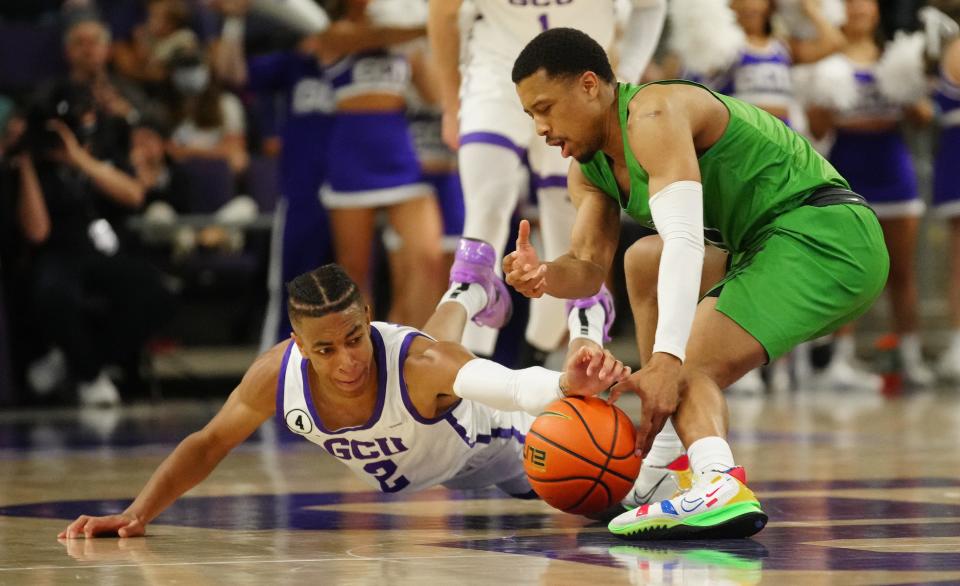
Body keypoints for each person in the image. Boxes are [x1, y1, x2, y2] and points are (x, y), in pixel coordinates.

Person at [506, 28, 888, 539]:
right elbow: (589, 267)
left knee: (685, 366)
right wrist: (545, 276)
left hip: (825, 236)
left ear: (591, 86)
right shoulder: (589, 168)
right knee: (641, 258)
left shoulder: (652, 113)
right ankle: (664, 469)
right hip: (767, 244)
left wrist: (666, 359)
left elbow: (685, 239)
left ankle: (716, 480)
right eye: (531, 115)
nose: (540, 127)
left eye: (546, 107)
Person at [57, 239, 629, 539]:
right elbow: (208, 444)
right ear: (299, 345)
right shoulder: (275, 374)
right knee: (437, 349)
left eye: (356, 338)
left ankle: (587, 317)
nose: (349, 360)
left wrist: (563, 381)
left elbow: (507, 386)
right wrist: (136, 513)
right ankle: (470, 288)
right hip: (445, 460)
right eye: (325, 349)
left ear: (369, 318)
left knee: (613, 492)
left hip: (505, 443)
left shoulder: (414, 362)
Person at [428, 0, 666, 358]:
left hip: (576, 87)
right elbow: (442, 13)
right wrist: (451, 102)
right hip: (496, 74)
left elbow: (651, 6)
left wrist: (623, 80)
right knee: (485, 209)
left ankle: (535, 359)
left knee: (572, 239)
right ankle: (470, 361)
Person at [807, 0, 935, 389]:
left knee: (902, 272)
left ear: (877, 11)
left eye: (865, 3)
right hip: (848, 172)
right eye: (849, 3)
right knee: (849, 273)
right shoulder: (826, 63)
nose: (858, 9)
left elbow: (924, 117)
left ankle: (910, 357)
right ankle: (841, 361)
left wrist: (908, 89)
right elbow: (816, 127)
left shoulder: (896, 57)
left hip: (894, 171)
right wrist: (830, 98)